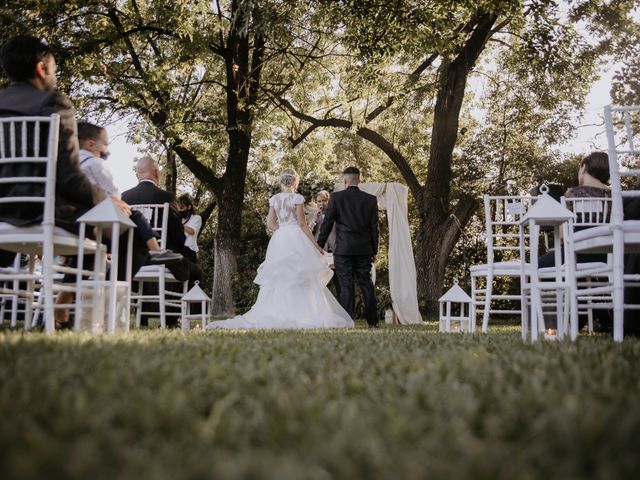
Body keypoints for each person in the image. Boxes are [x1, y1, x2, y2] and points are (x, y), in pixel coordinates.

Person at [0, 35, 129, 267]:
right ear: (41, 68)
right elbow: (69, 179)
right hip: (42, 214)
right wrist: (107, 200)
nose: (54, 78)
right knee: (124, 231)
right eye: (54, 71)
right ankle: (85, 302)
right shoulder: (54, 104)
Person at [207, 168, 353, 329]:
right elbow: (302, 224)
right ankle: (304, 311)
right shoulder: (297, 198)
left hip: (280, 238)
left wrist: (283, 230)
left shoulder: (274, 199)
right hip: (296, 237)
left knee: (279, 276)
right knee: (300, 274)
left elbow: (270, 224)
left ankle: (277, 311)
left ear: (281, 181)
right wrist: (315, 244)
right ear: (295, 181)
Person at [122, 156, 201, 327]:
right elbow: (178, 235)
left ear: (137, 176)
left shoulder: (124, 197)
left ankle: (141, 319)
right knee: (194, 271)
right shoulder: (166, 197)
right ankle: (173, 320)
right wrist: (177, 251)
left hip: (131, 261)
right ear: (157, 173)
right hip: (159, 258)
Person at [538, 151, 611, 334]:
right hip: (605, 256)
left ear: (584, 168)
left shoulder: (572, 194)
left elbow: (563, 235)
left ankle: (552, 324)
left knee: (536, 267)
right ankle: (601, 318)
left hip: (574, 253)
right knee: (583, 275)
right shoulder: (614, 195)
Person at [317, 166, 380, 328]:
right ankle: (373, 322)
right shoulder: (371, 199)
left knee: (346, 285)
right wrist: (375, 250)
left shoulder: (337, 198)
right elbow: (375, 228)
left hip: (343, 249)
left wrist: (318, 245)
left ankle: (347, 321)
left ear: (345, 181)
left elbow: (327, 223)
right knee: (366, 284)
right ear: (359, 179)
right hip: (364, 249)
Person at [177, 194, 202, 264]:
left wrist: (179, 224)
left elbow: (192, 231)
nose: (179, 210)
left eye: (181, 208)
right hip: (178, 252)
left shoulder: (196, 218)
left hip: (190, 253)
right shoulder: (178, 219)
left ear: (189, 207)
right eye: (178, 208)